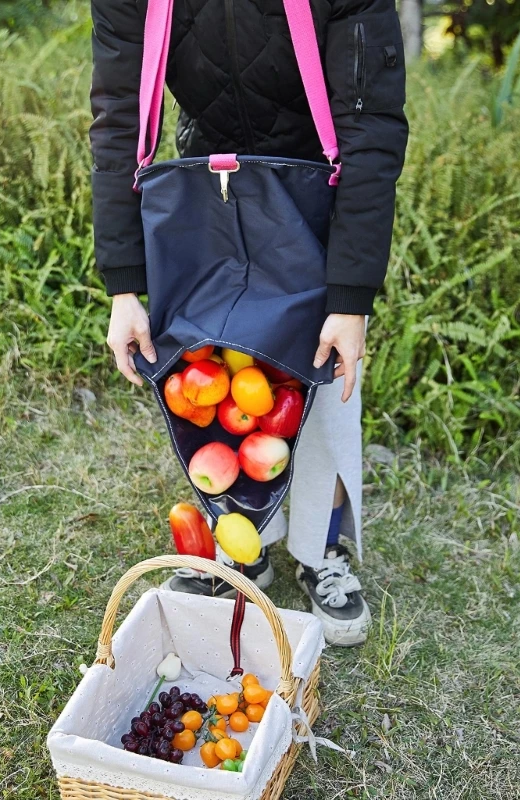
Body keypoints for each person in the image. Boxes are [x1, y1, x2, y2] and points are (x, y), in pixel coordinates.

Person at [90, 0, 408, 645]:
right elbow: (119, 117)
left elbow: (369, 123)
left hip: (318, 189)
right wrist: (124, 285)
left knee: (321, 380)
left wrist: (350, 298)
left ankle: (322, 547)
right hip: (207, 183)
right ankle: (243, 541)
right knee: (214, 375)